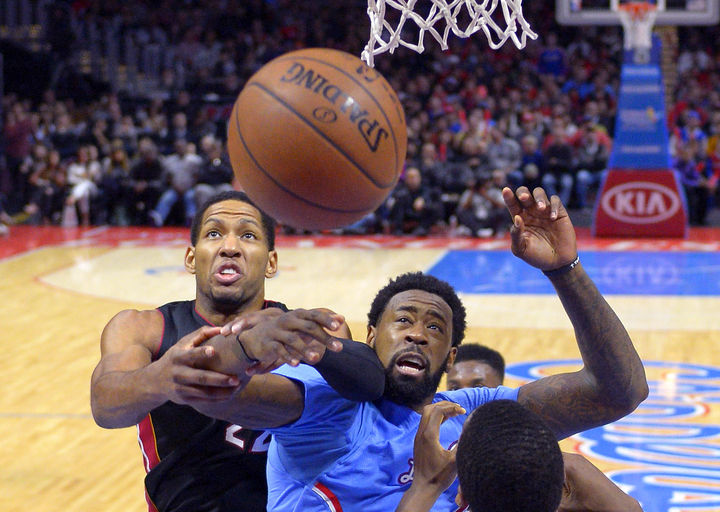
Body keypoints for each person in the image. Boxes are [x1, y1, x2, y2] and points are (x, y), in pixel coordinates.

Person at [187, 186, 648, 511]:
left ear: (451, 358)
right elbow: (218, 392)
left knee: (572, 474)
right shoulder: (327, 402)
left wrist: (565, 270)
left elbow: (619, 392)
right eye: (403, 321)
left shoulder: (471, 414)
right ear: (371, 337)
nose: (417, 334)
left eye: (434, 328)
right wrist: (245, 348)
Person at [90, 190, 385, 512]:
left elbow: (363, 383)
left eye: (248, 235)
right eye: (213, 233)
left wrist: (234, 360)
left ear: (271, 262)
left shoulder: (307, 331)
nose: (229, 247)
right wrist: (159, 379)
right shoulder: (144, 328)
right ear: (191, 258)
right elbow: (105, 406)